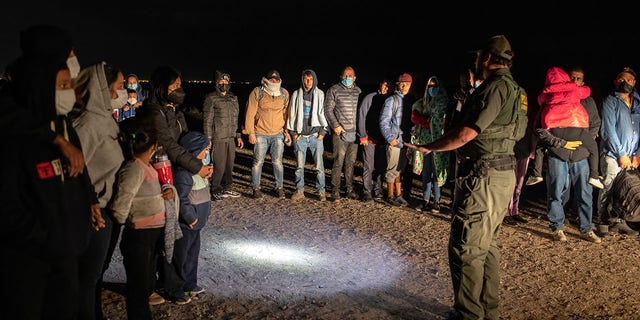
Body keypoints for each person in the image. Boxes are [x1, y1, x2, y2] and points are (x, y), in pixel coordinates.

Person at [404, 35, 528, 319]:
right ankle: (487, 310)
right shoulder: (517, 90)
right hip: (502, 173)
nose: (475, 61)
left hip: (483, 176)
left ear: (487, 58)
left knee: (466, 248)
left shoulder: (494, 89)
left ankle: (469, 314)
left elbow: (466, 133)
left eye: (478, 56)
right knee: (487, 246)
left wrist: (430, 146)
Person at [0, 24, 102, 319]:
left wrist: (88, 200)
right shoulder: (14, 134)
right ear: (40, 82)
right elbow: (8, 208)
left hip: (64, 258)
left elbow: (77, 169)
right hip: (28, 264)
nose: (69, 92)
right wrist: (49, 237)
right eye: (63, 86)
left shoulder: (63, 126)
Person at [72, 61, 126, 320]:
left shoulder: (106, 119)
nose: (120, 93)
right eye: (118, 87)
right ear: (101, 88)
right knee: (87, 277)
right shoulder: (88, 124)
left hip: (108, 209)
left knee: (97, 274)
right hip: (94, 212)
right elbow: (74, 172)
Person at [110, 125, 175, 319]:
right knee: (138, 290)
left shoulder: (145, 166)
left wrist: (167, 193)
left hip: (149, 234)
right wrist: (126, 220)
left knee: (144, 284)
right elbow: (122, 202)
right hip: (138, 235)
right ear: (154, 146)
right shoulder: (133, 168)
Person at [528, 66, 603, 189]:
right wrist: (563, 143)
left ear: (582, 81)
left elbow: (596, 123)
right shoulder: (574, 91)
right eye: (572, 77)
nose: (575, 80)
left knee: (583, 193)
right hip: (560, 150)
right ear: (567, 79)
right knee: (558, 192)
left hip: (579, 152)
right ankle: (594, 176)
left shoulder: (550, 93)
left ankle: (537, 173)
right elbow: (538, 127)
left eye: (578, 78)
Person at [597, 67, 640, 236]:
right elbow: (608, 130)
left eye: (629, 80)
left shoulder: (637, 103)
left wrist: (637, 154)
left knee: (625, 189)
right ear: (616, 82)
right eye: (621, 79)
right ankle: (603, 221)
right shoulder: (610, 101)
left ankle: (620, 220)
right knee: (608, 186)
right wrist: (621, 153)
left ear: (634, 83)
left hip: (631, 156)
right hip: (613, 153)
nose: (625, 83)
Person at [173, 131, 212, 298]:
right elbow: (181, 199)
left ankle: (190, 283)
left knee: (192, 255)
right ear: (194, 151)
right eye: (205, 150)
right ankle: (178, 286)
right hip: (188, 224)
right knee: (182, 256)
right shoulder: (184, 173)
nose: (207, 154)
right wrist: (190, 217)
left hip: (197, 223)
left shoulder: (200, 170)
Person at [243, 69, 291, 199]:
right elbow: (250, 113)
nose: (274, 81)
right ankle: (256, 188)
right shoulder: (257, 92)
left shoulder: (284, 93)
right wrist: (250, 133)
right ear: (266, 79)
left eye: (276, 79)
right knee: (258, 162)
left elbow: (286, 115)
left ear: (279, 80)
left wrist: (287, 132)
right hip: (260, 133)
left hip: (278, 133)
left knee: (278, 162)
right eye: (271, 79)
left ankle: (279, 187)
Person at [286, 69, 328, 201]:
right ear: (302, 80)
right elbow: (291, 114)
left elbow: (324, 113)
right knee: (299, 166)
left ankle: (321, 191)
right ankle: (299, 190)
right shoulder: (297, 94)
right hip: (300, 136)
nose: (308, 82)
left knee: (319, 167)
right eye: (305, 79)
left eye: (310, 79)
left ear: (314, 80)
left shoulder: (320, 94)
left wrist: (322, 132)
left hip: (316, 136)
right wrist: (293, 133)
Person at [202, 70, 244, 201]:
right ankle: (215, 188)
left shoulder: (233, 98)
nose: (224, 84)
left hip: (230, 137)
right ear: (216, 82)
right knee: (219, 164)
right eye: (221, 81)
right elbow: (207, 120)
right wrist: (208, 138)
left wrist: (238, 136)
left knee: (229, 164)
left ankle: (227, 187)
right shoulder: (211, 98)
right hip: (218, 136)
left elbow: (236, 118)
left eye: (226, 81)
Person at [410, 75, 449, 213]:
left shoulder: (442, 101)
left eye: (435, 86)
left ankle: (436, 201)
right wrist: (421, 119)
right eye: (430, 86)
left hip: (439, 142)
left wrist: (426, 121)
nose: (432, 89)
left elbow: (438, 119)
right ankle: (425, 199)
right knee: (426, 171)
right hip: (425, 141)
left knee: (437, 171)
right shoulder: (424, 102)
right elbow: (417, 116)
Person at [324, 66, 362, 201]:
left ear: (355, 77)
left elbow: (361, 112)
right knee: (338, 161)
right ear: (341, 77)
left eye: (350, 75)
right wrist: (335, 126)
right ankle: (335, 190)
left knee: (351, 163)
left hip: (354, 134)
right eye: (345, 76)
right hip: (340, 133)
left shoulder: (358, 91)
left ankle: (349, 189)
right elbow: (328, 109)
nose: (347, 78)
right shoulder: (333, 90)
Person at [380, 72, 413, 207]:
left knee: (400, 169)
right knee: (391, 169)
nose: (404, 86)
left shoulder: (410, 100)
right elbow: (383, 122)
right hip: (395, 140)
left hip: (405, 141)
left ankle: (398, 195)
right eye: (402, 84)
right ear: (398, 85)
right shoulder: (391, 100)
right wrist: (390, 138)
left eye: (407, 84)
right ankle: (390, 195)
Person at [357, 77, 390, 202]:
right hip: (369, 138)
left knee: (381, 167)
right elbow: (361, 115)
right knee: (368, 166)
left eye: (389, 86)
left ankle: (378, 190)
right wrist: (362, 135)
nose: (386, 88)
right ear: (380, 85)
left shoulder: (389, 99)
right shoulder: (369, 97)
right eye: (384, 85)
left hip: (383, 140)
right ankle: (367, 191)